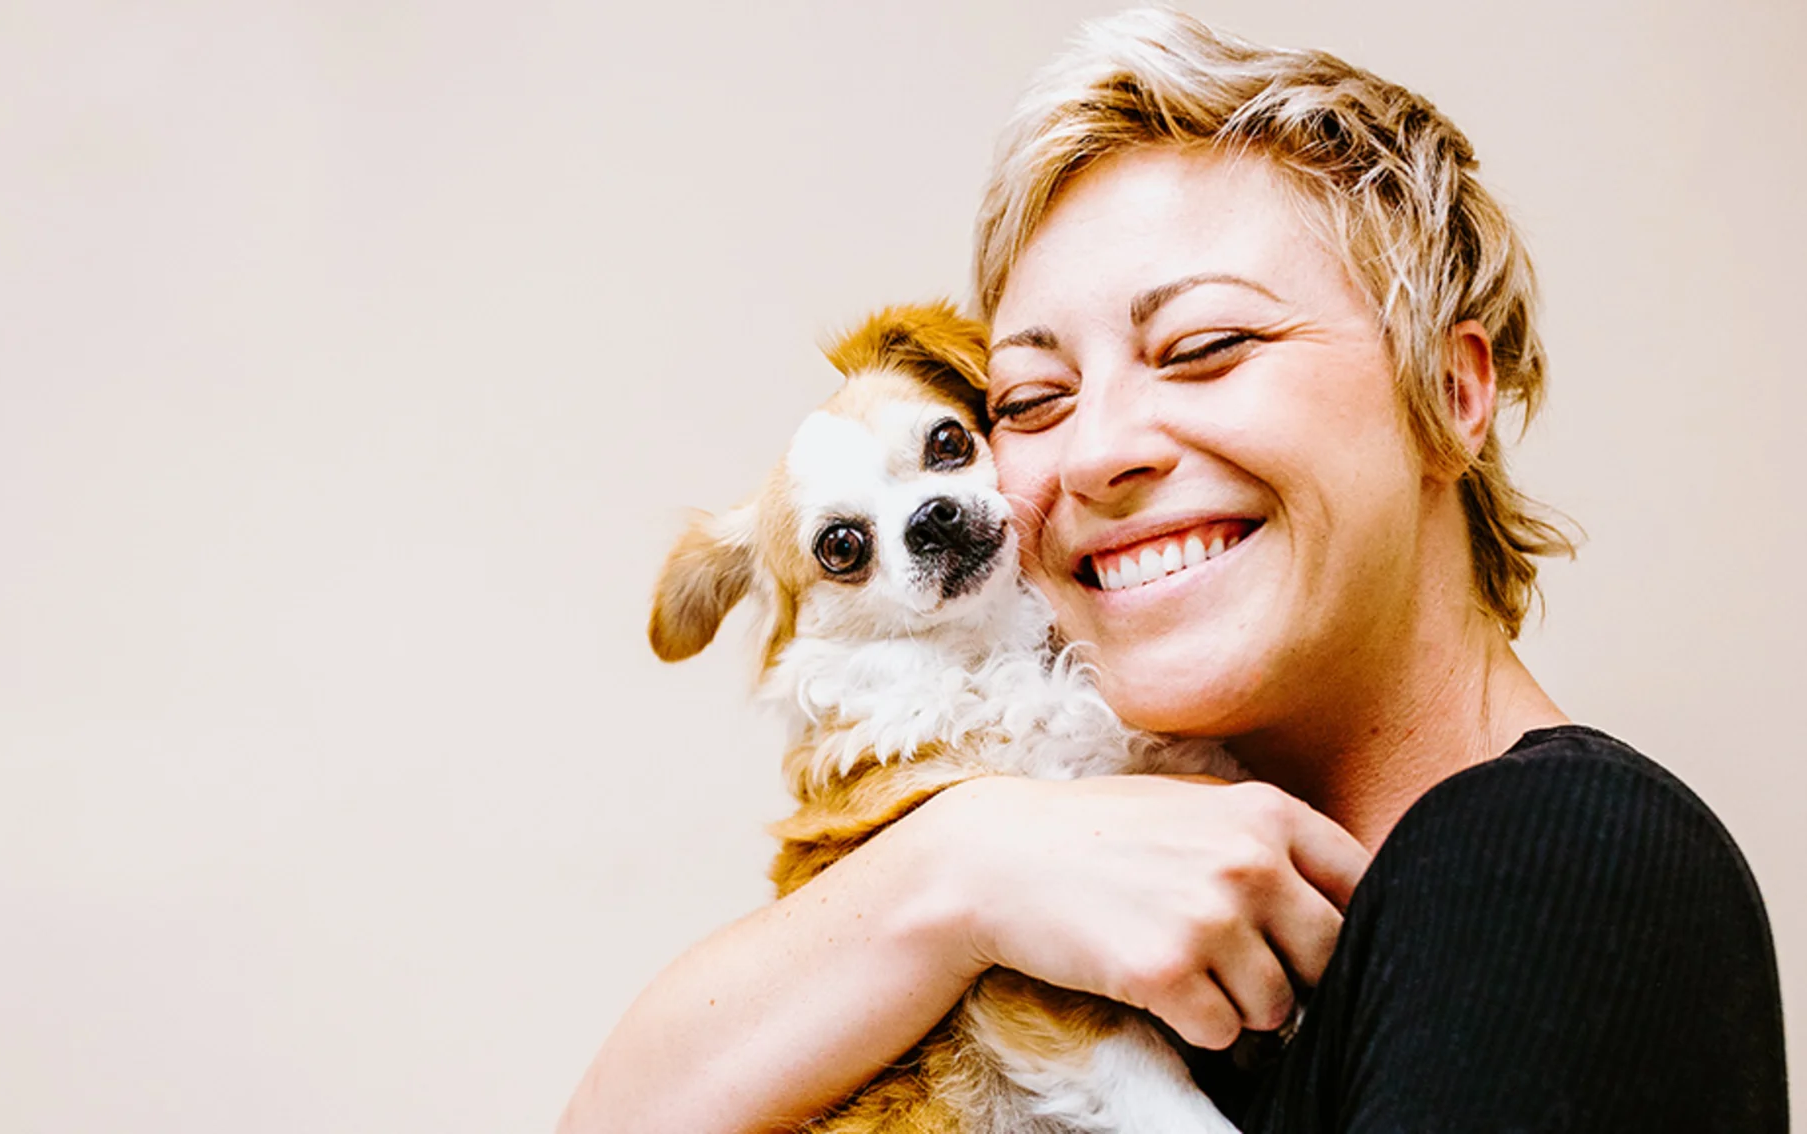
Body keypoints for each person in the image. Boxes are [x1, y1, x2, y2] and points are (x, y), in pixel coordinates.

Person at [560, 10, 1783, 1132]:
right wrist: (962, 868)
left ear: (1451, 396)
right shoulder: (1115, 921)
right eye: (1033, 399)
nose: (1097, 451)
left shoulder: (1554, 861)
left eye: (1204, 346)